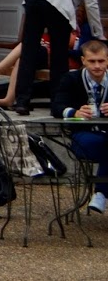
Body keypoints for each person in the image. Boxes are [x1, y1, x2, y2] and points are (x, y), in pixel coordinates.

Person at [12, 0, 105, 115]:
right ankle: (57, 102)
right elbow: (91, 3)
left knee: (29, 52)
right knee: (59, 55)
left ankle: (22, 101)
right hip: (57, 3)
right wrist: (98, 35)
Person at [52, 38, 108, 213]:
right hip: (83, 135)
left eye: (101, 61)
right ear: (83, 60)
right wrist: (74, 112)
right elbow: (56, 106)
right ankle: (101, 193)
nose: (97, 66)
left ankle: (101, 193)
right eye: (92, 61)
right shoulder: (71, 79)